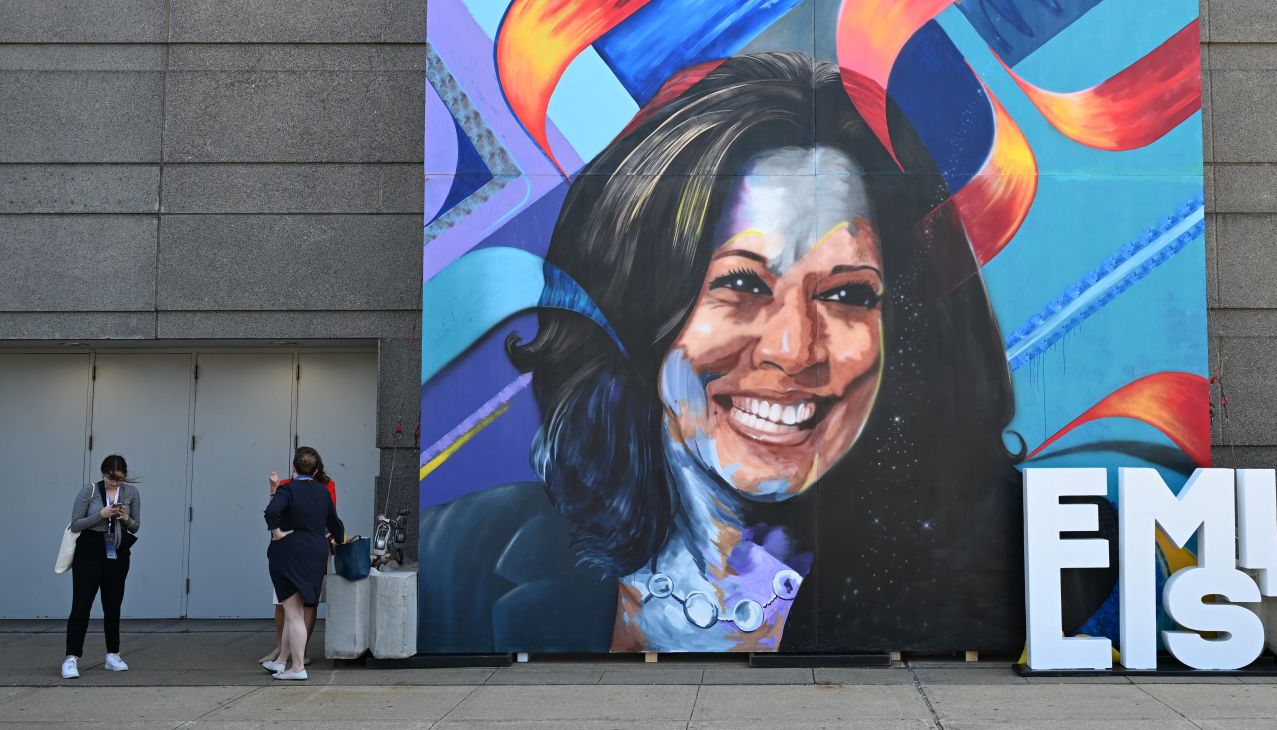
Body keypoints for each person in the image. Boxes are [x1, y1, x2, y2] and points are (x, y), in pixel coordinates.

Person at [420, 51, 1026, 655]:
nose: (793, 349)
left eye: (846, 294)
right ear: (636, 302)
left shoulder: (989, 581)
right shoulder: (454, 556)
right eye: (741, 284)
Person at [263, 445, 344, 681]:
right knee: (301, 609)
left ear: (293, 468)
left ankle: (297, 666)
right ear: (317, 469)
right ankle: (280, 662)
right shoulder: (323, 492)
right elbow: (336, 524)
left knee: (293, 612)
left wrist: (277, 533)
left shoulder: (287, 490)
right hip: (316, 551)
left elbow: (271, 512)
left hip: (290, 551)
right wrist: (339, 543)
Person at [62, 455, 141, 679]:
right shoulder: (90, 491)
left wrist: (125, 518)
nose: (115, 483)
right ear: (103, 473)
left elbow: (136, 526)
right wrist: (101, 514)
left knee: (113, 604)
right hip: (89, 550)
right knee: (81, 603)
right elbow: (75, 523)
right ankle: (71, 657)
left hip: (116, 551)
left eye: (119, 479)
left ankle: (113, 655)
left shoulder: (131, 493)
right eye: (111, 479)